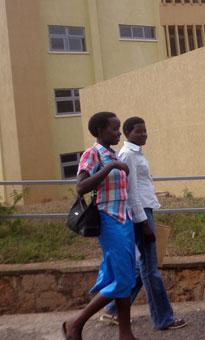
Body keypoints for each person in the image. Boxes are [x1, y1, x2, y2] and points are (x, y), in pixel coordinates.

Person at [100, 117, 187, 330]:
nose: (144, 135)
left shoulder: (136, 152)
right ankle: (163, 319)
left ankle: (113, 310)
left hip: (145, 210)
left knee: (143, 268)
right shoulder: (128, 154)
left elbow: (141, 185)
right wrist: (143, 222)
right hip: (140, 214)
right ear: (128, 133)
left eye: (146, 131)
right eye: (139, 132)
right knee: (150, 270)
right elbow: (129, 191)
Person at [62, 112, 138, 340]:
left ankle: (125, 333)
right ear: (99, 131)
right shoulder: (92, 154)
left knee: (123, 275)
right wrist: (111, 167)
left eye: (117, 129)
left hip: (124, 220)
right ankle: (76, 323)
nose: (117, 132)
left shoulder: (113, 154)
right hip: (108, 219)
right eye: (113, 129)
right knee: (124, 278)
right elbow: (81, 187)